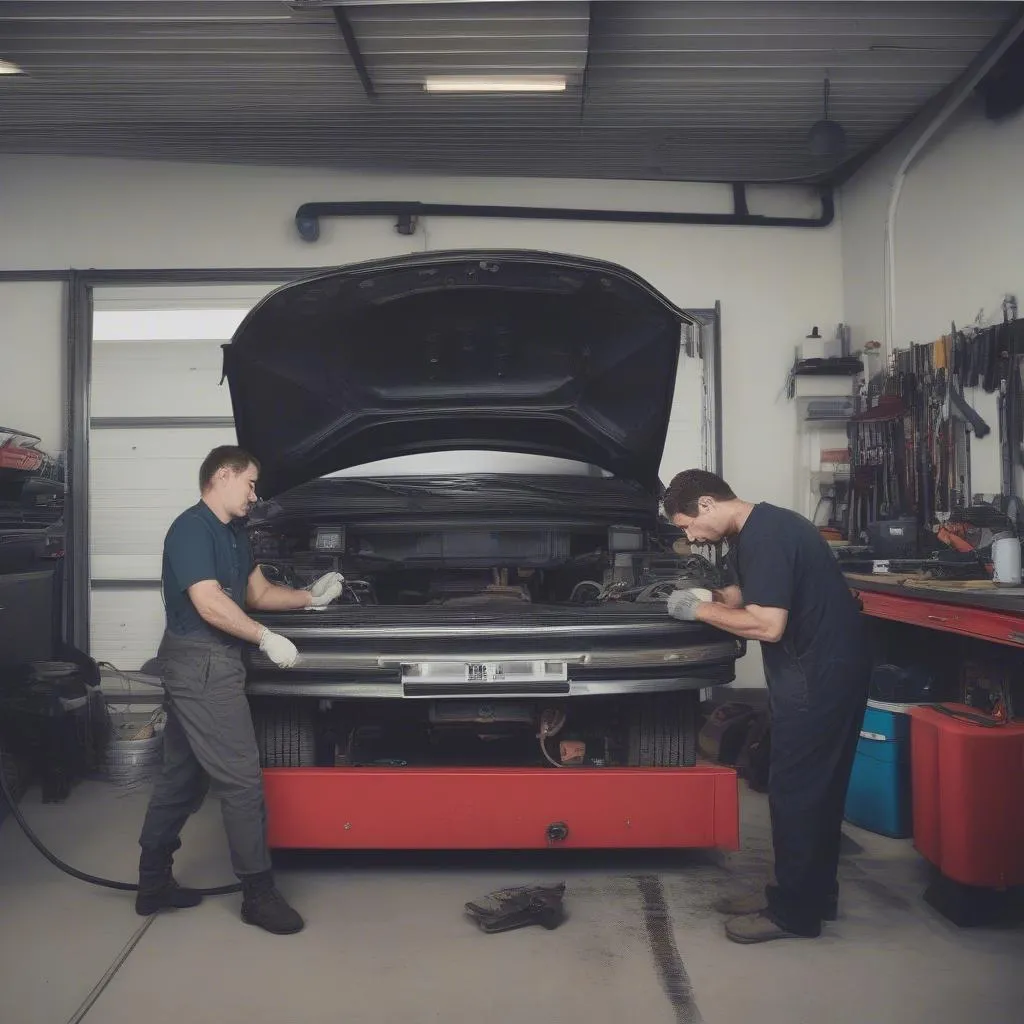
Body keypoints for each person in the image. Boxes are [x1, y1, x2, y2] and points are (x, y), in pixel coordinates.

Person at [135, 446, 343, 934]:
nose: (255, 493)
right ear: (222, 476)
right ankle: (258, 893)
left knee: (181, 778)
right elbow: (208, 602)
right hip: (201, 663)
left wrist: (311, 597)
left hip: (213, 663)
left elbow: (258, 593)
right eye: (250, 483)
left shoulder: (235, 534)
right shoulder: (191, 528)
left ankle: (152, 884)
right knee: (243, 783)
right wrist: (266, 637)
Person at [662, 469, 869, 945]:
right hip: (824, 671)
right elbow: (742, 597)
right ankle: (814, 896)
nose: (690, 537)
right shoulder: (761, 530)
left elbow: (768, 625)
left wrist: (695, 611)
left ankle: (794, 913)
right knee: (819, 792)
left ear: (708, 505)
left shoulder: (767, 537)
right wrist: (708, 597)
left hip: (817, 678)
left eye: (687, 525)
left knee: (796, 793)